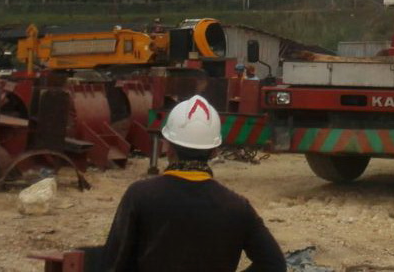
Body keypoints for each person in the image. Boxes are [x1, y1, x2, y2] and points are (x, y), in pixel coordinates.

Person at [102, 95, 285, 272]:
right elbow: (274, 264)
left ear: (168, 146)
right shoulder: (237, 207)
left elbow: (113, 263)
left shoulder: (139, 196)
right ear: (214, 151)